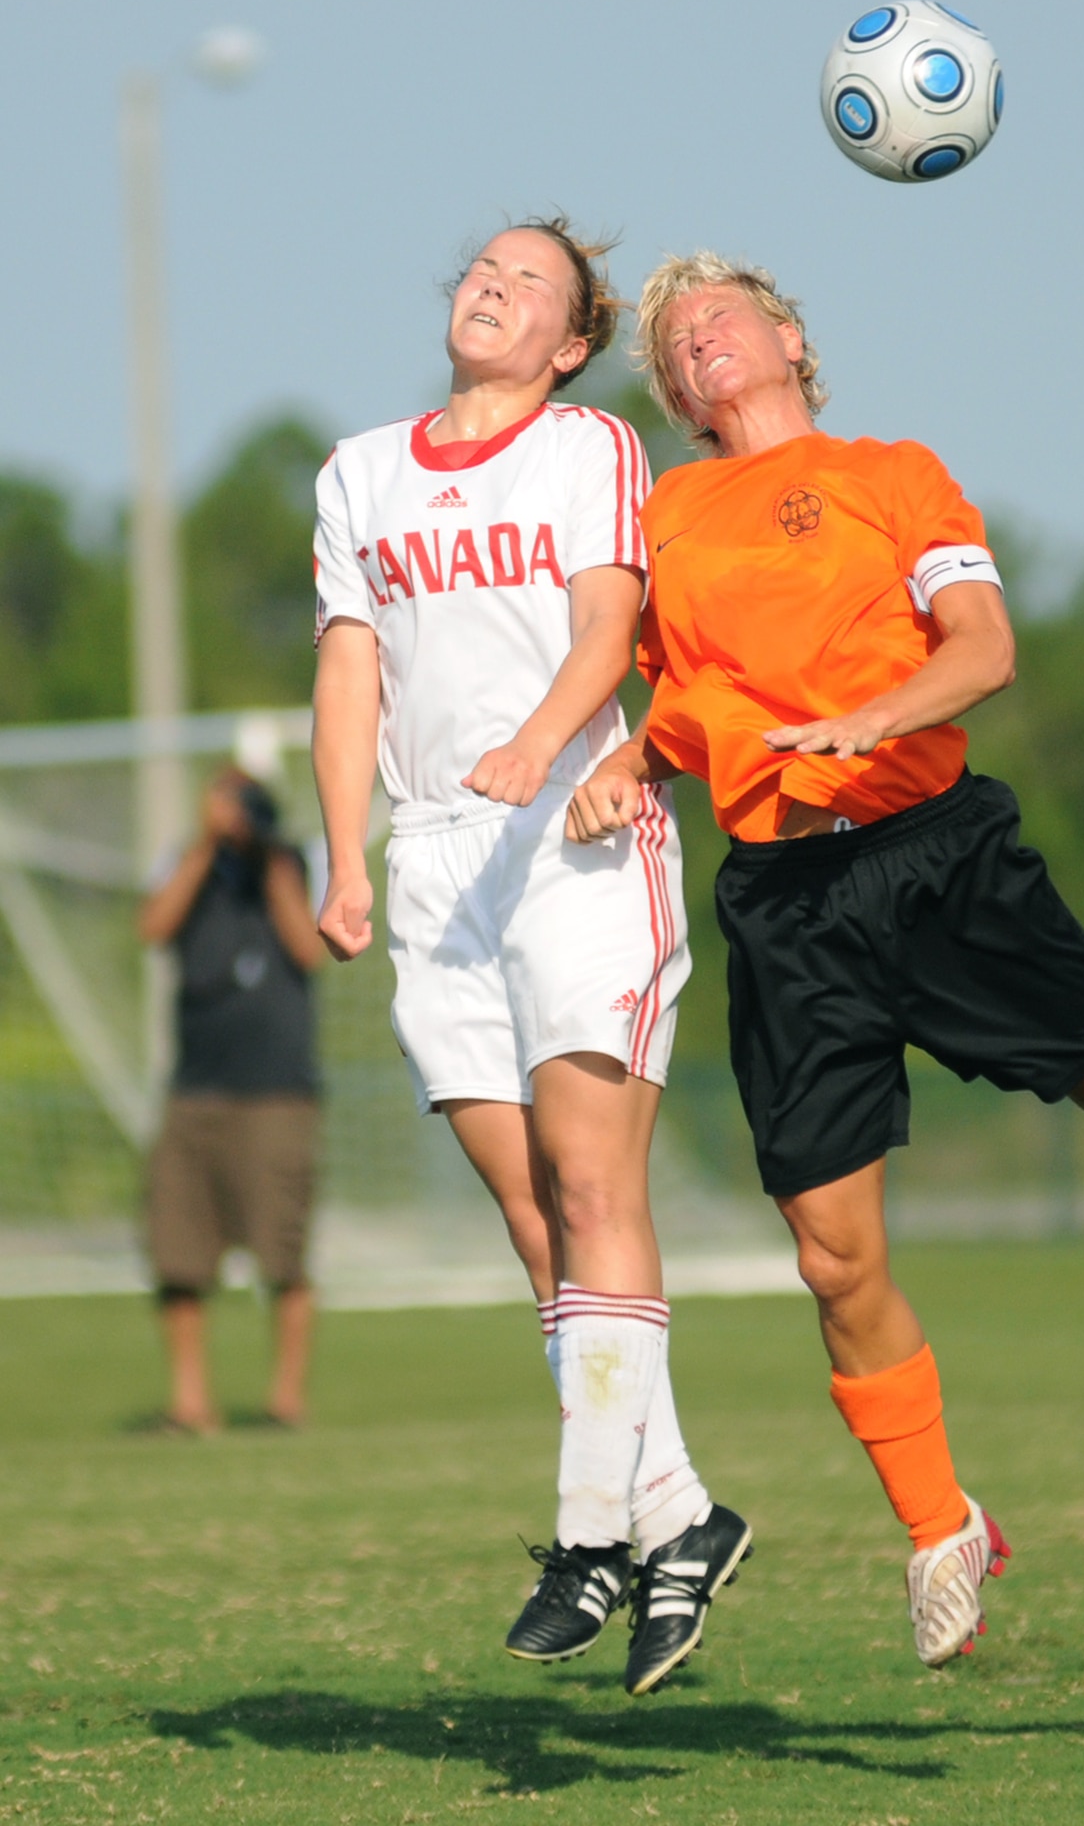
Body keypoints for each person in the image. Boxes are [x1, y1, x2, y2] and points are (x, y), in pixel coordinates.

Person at [565, 250, 1084, 1673]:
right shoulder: (670, 512)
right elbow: (690, 698)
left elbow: (982, 648)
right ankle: (940, 1530)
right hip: (786, 907)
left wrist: (869, 720)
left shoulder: (892, 472)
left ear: (791, 339)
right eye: (673, 346)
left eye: (718, 320)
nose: (695, 348)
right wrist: (629, 762)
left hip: (938, 862)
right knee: (827, 1253)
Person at [310, 218, 749, 1698]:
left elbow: (610, 627)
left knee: (589, 1182)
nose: (491, 287)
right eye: (480, 269)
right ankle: (678, 1512)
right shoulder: (358, 471)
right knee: (529, 1213)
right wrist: (340, 853)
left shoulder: (589, 448)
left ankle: (592, 1535)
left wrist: (539, 745)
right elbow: (349, 668)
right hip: (436, 860)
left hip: (570, 828)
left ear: (568, 344)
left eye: (530, 283)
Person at [138, 766, 325, 1434]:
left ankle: (285, 1401)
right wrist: (203, 849)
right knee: (179, 1252)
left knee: (282, 1251)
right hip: (195, 1090)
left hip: (277, 1092)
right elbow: (153, 927)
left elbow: (309, 946)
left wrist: (269, 857)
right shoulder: (185, 863)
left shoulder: (297, 861)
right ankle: (191, 1404)